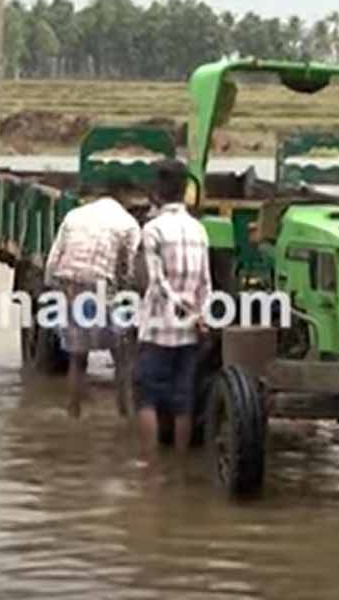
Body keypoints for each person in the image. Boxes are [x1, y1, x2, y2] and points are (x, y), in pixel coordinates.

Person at [134, 160, 212, 463]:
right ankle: (178, 467)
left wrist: (179, 306)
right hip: (189, 331)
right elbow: (206, 283)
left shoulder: (152, 229)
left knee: (148, 399)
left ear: (156, 193)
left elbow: (156, 282)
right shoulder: (199, 230)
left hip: (157, 329)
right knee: (183, 402)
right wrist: (199, 315)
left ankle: (150, 467)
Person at [43, 183, 141, 419]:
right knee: (121, 356)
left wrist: (51, 288)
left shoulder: (74, 215)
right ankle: (124, 414)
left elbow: (54, 259)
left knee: (77, 358)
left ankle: (73, 413)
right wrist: (126, 293)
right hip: (99, 284)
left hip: (69, 283)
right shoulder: (128, 223)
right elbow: (127, 268)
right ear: (124, 199)